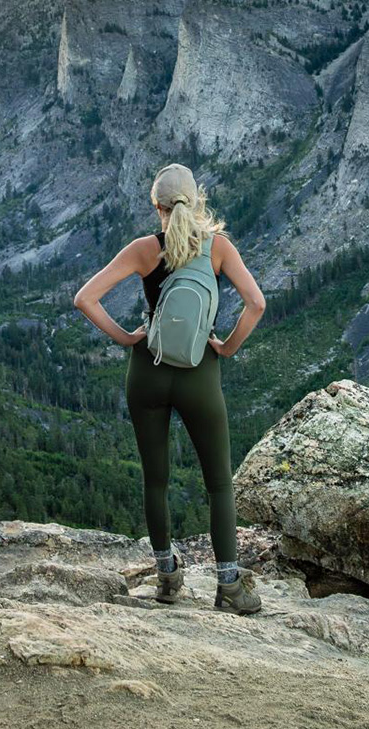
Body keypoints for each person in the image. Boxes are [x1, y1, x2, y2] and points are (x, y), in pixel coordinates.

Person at [72, 163, 267, 613]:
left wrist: (126, 338)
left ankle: (166, 576)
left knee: (155, 480)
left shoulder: (144, 249)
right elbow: (256, 304)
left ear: (156, 206)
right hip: (199, 370)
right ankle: (230, 587)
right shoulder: (218, 248)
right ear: (196, 201)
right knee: (219, 483)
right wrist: (227, 348)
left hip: (149, 369)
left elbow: (85, 297)